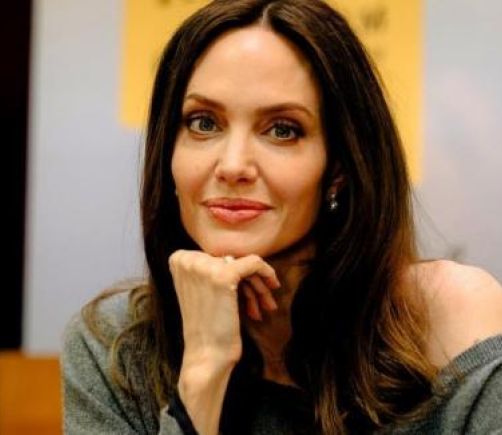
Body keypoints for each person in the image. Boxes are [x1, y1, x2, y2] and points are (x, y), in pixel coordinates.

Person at [61, 0, 502, 434]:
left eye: (282, 130)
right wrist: (203, 371)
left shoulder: (453, 319)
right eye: (204, 123)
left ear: (339, 169)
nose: (233, 165)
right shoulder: (115, 347)